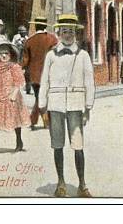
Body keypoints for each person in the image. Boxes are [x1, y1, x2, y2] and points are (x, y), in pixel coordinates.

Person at [39, 14, 95, 198]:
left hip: (76, 104)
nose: (68, 34)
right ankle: (61, 183)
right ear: (59, 33)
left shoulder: (83, 55)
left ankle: (82, 185)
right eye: (64, 31)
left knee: (78, 145)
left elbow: (89, 81)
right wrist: (42, 105)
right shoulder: (50, 55)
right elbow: (44, 81)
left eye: (71, 31)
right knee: (57, 145)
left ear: (76, 33)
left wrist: (88, 106)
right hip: (55, 105)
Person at [0, 41, 31, 157]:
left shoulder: (14, 66)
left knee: (15, 120)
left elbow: (20, 81)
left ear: (11, 54)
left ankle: (19, 141)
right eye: (1, 53)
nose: (4, 56)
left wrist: (14, 93)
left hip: (11, 96)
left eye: (6, 53)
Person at [21, 17, 58, 130]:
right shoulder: (52, 39)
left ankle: (34, 121)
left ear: (35, 26)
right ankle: (45, 122)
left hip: (33, 75)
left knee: (39, 97)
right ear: (45, 26)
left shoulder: (29, 41)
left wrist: (21, 69)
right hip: (48, 74)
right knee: (44, 98)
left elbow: (25, 60)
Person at [12, 25, 31, 94]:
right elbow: (12, 45)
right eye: (22, 32)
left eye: (24, 32)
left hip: (24, 56)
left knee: (26, 72)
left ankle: (27, 87)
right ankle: (16, 87)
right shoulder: (16, 37)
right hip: (17, 56)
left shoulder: (27, 38)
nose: (23, 33)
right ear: (19, 32)